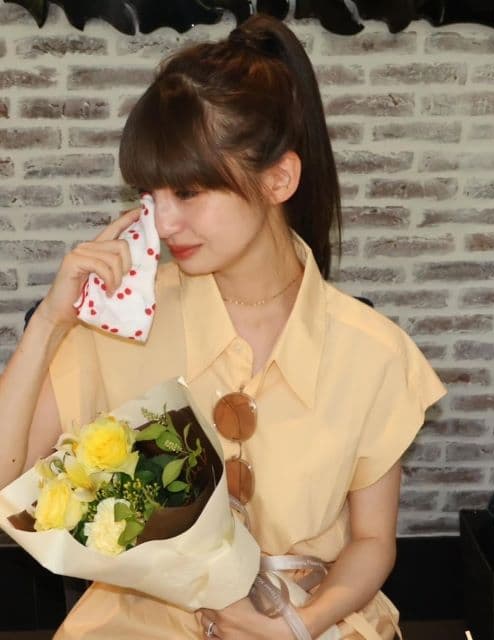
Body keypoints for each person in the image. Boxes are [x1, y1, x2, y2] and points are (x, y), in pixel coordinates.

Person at [0, 14, 445, 640]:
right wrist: (49, 323)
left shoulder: (373, 352)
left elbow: (373, 542)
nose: (164, 223)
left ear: (278, 179)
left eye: (187, 192)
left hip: (309, 617)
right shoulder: (122, 324)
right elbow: (7, 486)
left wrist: (297, 626)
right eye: (152, 195)